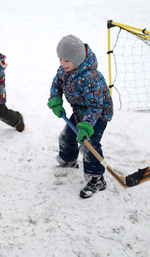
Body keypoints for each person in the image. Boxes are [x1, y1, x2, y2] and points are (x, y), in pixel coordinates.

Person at [47, 34, 113, 199]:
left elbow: (96, 105)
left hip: (97, 114)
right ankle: (69, 160)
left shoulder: (91, 77)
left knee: (88, 143)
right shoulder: (65, 70)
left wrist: (86, 126)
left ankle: (97, 178)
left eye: (66, 60)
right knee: (67, 136)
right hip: (80, 111)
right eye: (60, 59)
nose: (62, 64)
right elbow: (57, 83)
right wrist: (55, 99)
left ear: (77, 59)